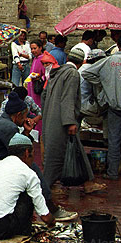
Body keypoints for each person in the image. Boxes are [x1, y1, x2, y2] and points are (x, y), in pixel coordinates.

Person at [0, 91, 77, 222]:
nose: (26, 119)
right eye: (25, 116)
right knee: (32, 168)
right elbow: (22, 154)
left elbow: (19, 149)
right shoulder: (8, 127)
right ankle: (50, 207)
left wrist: (26, 132)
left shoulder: (1, 121)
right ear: (18, 115)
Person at [41, 48, 103, 193]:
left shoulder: (57, 73)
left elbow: (44, 96)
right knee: (56, 155)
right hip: (62, 121)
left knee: (76, 149)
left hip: (52, 118)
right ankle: (46, 186)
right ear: (82, 62)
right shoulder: (73, 73)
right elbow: (68, 98)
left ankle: (88, 182)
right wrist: (70, 122)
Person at [0, 133, 55, 239]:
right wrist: (52, 220)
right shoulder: (28, 173)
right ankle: (24, 234)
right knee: (28, 194)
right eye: (33, 153)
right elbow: (45, 216)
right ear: (27, 152)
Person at [81, 33, 121, 180]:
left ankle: (112, 173)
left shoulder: (108, 61)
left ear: (118, 45)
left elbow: (87, 73)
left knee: (114, 140)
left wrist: (104, 83)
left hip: (114, 107)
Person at [26, 40, 45, 111]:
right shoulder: (35, 59)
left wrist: (39, 78)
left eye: (35, 48)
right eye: (31, 49)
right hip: (32, 87)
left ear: (40, 48)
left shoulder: (43, 59)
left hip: (38, 87)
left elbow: (46, 75)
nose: (33, 51)